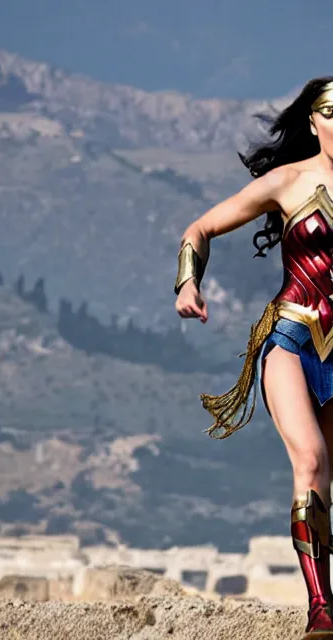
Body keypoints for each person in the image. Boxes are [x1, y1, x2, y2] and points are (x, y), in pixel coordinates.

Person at [174, 77, 333, 638]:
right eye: (331, 111)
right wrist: (187, 284)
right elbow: (201, 227)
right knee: (310, 460)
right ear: (313, 121)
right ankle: (320, 606)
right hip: (290, 339)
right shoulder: (287, 182)